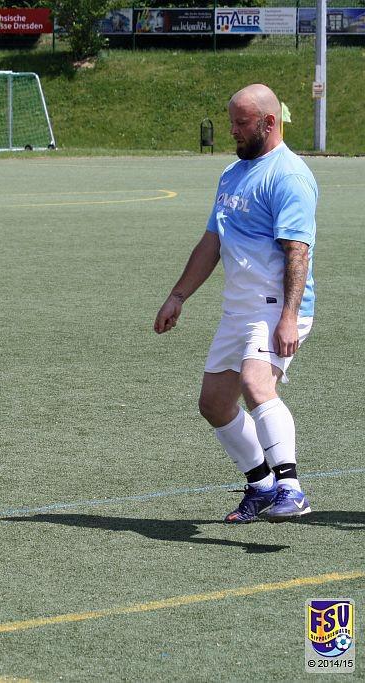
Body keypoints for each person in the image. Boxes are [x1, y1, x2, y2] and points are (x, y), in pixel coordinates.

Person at [154, 83, 318, 524]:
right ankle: (261, 484)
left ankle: (291, 487)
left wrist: (289, 317)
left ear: (269, 122)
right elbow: (212, 242)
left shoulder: (289, 176)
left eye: (241, 123)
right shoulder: (232, 174)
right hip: (239, 309)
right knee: (214, 403)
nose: (232, 131)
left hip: (276, 306)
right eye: (231, 122)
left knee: (256, 383)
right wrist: (178, 295)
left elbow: (297, 252)